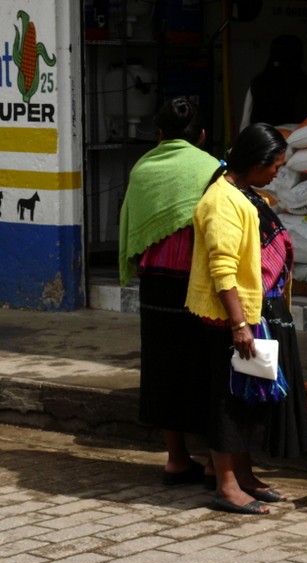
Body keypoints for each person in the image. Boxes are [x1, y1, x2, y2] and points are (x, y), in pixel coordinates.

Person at [186, 123, 307, 515]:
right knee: (228, 399)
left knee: (247, 398)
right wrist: (239, 324)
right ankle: (225, 485)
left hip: (253, 311)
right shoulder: (222, 200)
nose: (278, 172)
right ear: (256, 163)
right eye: (275, 165)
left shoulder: (247, 193)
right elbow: (222, 267)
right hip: (229, 316)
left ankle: (244, 474)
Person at [118, 97, 221, 485]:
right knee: (208, 370)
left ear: (159, 134)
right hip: (200, 283)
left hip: (156, 284)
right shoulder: (213, 169)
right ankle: (215, 462)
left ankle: (177, 459)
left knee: (163, 370)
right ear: (203, 135)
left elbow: (130, 219)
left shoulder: (143, 168)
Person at [239, 34, 307, 130]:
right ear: (299, 57)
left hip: (264, 142)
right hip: (297, 142)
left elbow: (244, 127)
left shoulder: (258, 84)